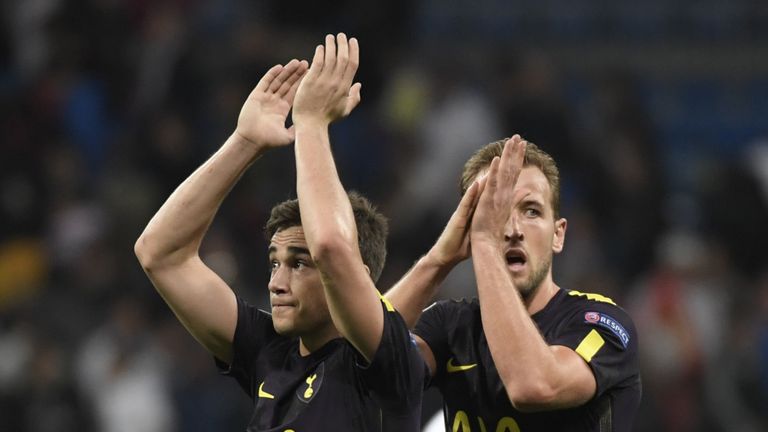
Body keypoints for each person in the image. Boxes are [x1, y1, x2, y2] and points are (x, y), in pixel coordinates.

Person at [134, 33, 424, 431]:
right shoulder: (270, 351)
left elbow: (332, 247)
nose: (277, 283)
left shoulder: (386, 360)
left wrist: (311, 123)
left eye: (299, 263)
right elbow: (160, 253)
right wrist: (245, 142)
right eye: (274, 262)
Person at [386, 136, 641, 431]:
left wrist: (484, 239)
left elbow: (533, 386)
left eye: (531, 210)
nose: (512, 229)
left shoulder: (599, 323)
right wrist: (437, 260)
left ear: (558, 234)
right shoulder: (451, 324)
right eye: (494, 213)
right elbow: (367, 357)